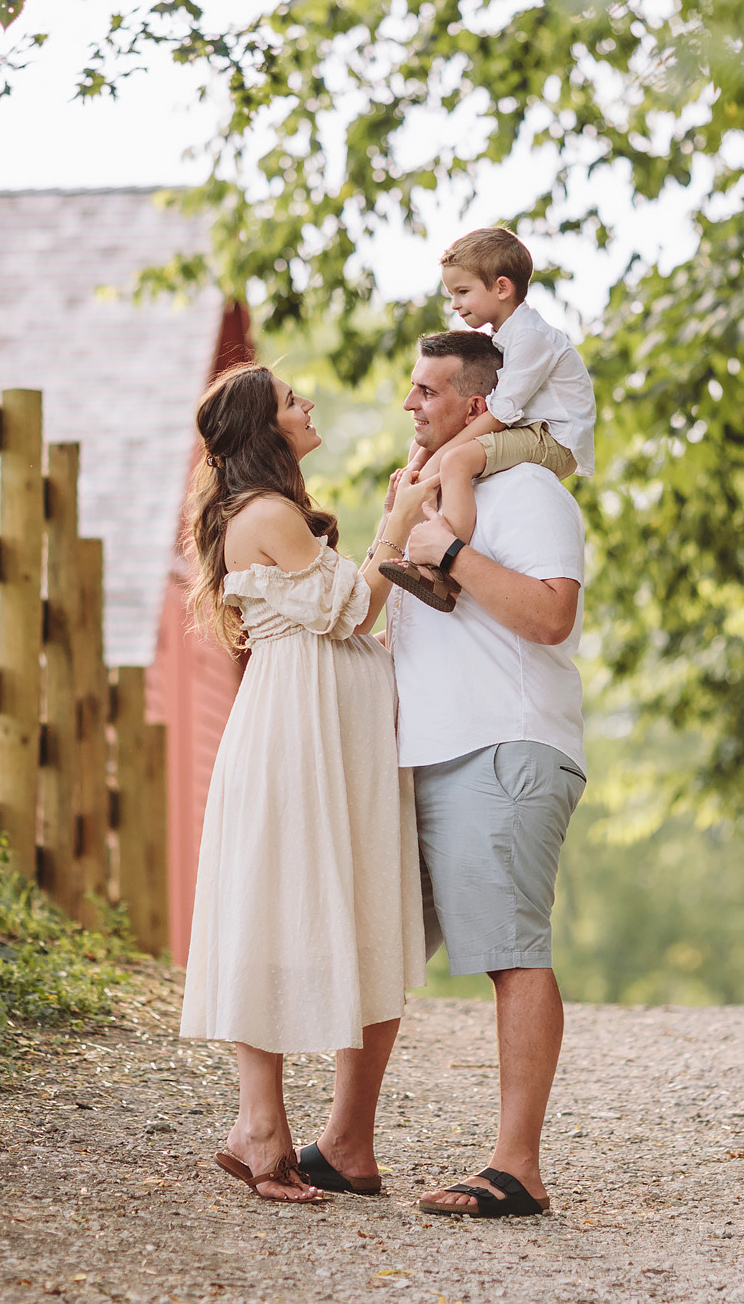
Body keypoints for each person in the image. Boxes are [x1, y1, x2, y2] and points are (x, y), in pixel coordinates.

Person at [176, 363, 427, 1204]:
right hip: (295, 735)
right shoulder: (267, 514)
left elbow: (341, 614)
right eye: (291, 399)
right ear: (263, 427)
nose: (307, 403)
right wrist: (397, 522)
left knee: (327, 906)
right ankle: (260, 1126)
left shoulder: (269, 512)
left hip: (324, 732)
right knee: (277, 909)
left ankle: (291, 1132)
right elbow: (353, 608)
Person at [380, 329, 589, 1218]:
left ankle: (518, 1166)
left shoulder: (529, 488)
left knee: (510, 953)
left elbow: (550, 615)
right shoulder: (425, 492)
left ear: (476, 405)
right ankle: (347, 1144)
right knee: (378, 948)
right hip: (422, 754)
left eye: (427, 390)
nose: (409, 404)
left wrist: (452, 554)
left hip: (504, 745)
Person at [376, 227, 595, 614]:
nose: (455, 305)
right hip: (531, 429)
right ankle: (421, 529)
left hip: (555, 439)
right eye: (452, 294)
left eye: (463, 292)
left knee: (456, 461)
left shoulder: (531, 337)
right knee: (428, 450)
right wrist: (419, 465)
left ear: (502, 287)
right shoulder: (506, 337)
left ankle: (441, 569)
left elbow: (499, 413)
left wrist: (439, 462)